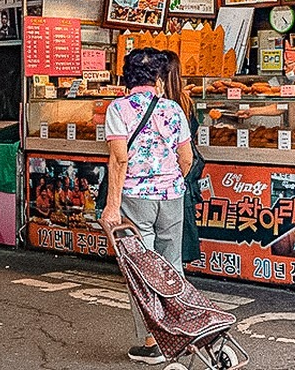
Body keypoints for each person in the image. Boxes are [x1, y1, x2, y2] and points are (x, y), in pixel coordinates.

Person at [101, 47, 193, 366]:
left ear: (127, 77)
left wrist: (112, 206)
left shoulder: (119, 109)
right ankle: (180, 333)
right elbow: (187, 158)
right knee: (172, 265)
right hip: (172, 196)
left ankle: (154, 341)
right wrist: (169, 182)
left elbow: (119, 158)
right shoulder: (174, 109)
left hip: (136, 197)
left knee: (142, 269)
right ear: (158, 77)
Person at [163, 50, 204, 266]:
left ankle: (157, 275)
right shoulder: (185, 101)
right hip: (179, 175)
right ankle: (174, 274)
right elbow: (188, 148)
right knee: (176, 226)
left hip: (158, 178)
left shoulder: (157, 103)